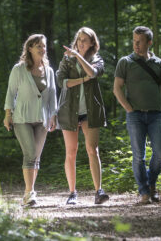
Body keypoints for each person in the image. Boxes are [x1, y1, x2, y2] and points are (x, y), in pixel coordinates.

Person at [113, 26, 161, 204]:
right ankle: (144, 192)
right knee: (138, 156)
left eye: (140, 41)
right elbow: (117, 88)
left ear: (149, 42)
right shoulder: (125, 62)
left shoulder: (159, 64)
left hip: (156, 115)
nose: (136, 45)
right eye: (134, 41)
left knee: (159, 153)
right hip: (135, 116)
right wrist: (128, 108)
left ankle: (151, 184)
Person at [56, 27, 109, 205]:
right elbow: (61, 82)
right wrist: (83, 80)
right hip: (68, 111)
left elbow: (93, 73)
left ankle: (98, 191)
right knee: (71, 152)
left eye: (85, 40)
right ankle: (72, 193)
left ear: (93, 43)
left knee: (92, 150)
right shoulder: (66, 59)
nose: (81, 43)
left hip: (90, 111)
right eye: (79, 39)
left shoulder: (97, 59)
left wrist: (78, 57)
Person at [4, 34, 57, 206]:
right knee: (30, 154)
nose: (42, 49)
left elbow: (52, 95)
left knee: (36, 158)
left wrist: (53, 115)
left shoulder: (48, 71)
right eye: (38, 46)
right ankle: (29, 193)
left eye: (44, 46)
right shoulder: (19, 69)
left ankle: (30, 193)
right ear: (29, 48)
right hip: (22, 118)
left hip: (42, 119)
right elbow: (11, 93)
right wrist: (7, 115)